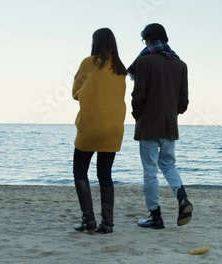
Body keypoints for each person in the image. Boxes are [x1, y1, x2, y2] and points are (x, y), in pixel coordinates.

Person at [128, 23, 193, 229]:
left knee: (150, 171)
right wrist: (171, 114)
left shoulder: (144, 61)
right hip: (169, 125)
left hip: (148, 124)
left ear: (148, 40)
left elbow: (138, 96)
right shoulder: (181, 65)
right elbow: (184, 102)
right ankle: (182, 198)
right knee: (168, 165)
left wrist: (138, 115)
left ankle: (155, 215)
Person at [72, 28, 127, 234]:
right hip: (113, 128)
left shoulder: (88, 63)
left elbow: (75, 92)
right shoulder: (121, 69)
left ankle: (89, 221)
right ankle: (108, 223)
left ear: (96, 43)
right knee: (105, 174)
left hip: (90, 126)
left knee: (80, 171)